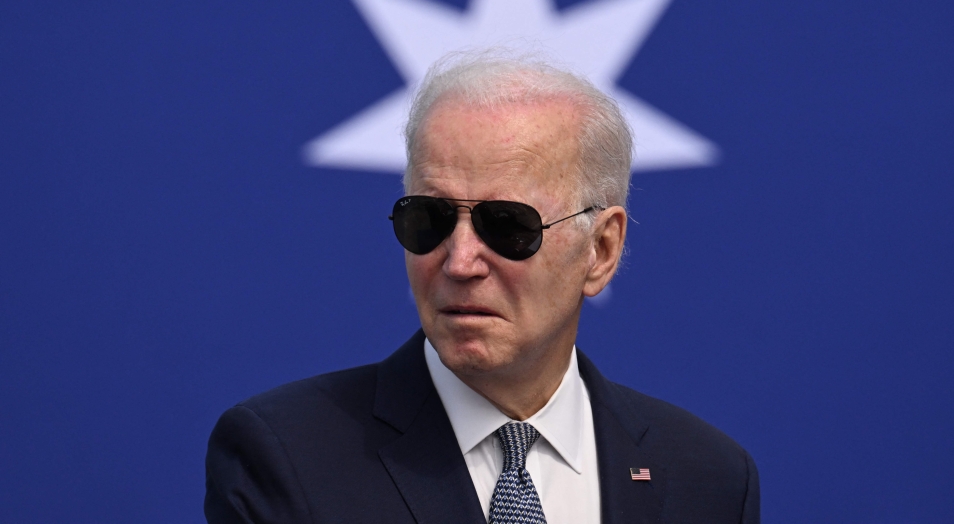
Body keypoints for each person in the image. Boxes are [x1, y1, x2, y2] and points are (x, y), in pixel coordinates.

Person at [204, 51, 760, 524]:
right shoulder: (288, 456)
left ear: (601, 250)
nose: (461, 261)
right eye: (430, 218)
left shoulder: (706, 480)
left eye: (508, 225)